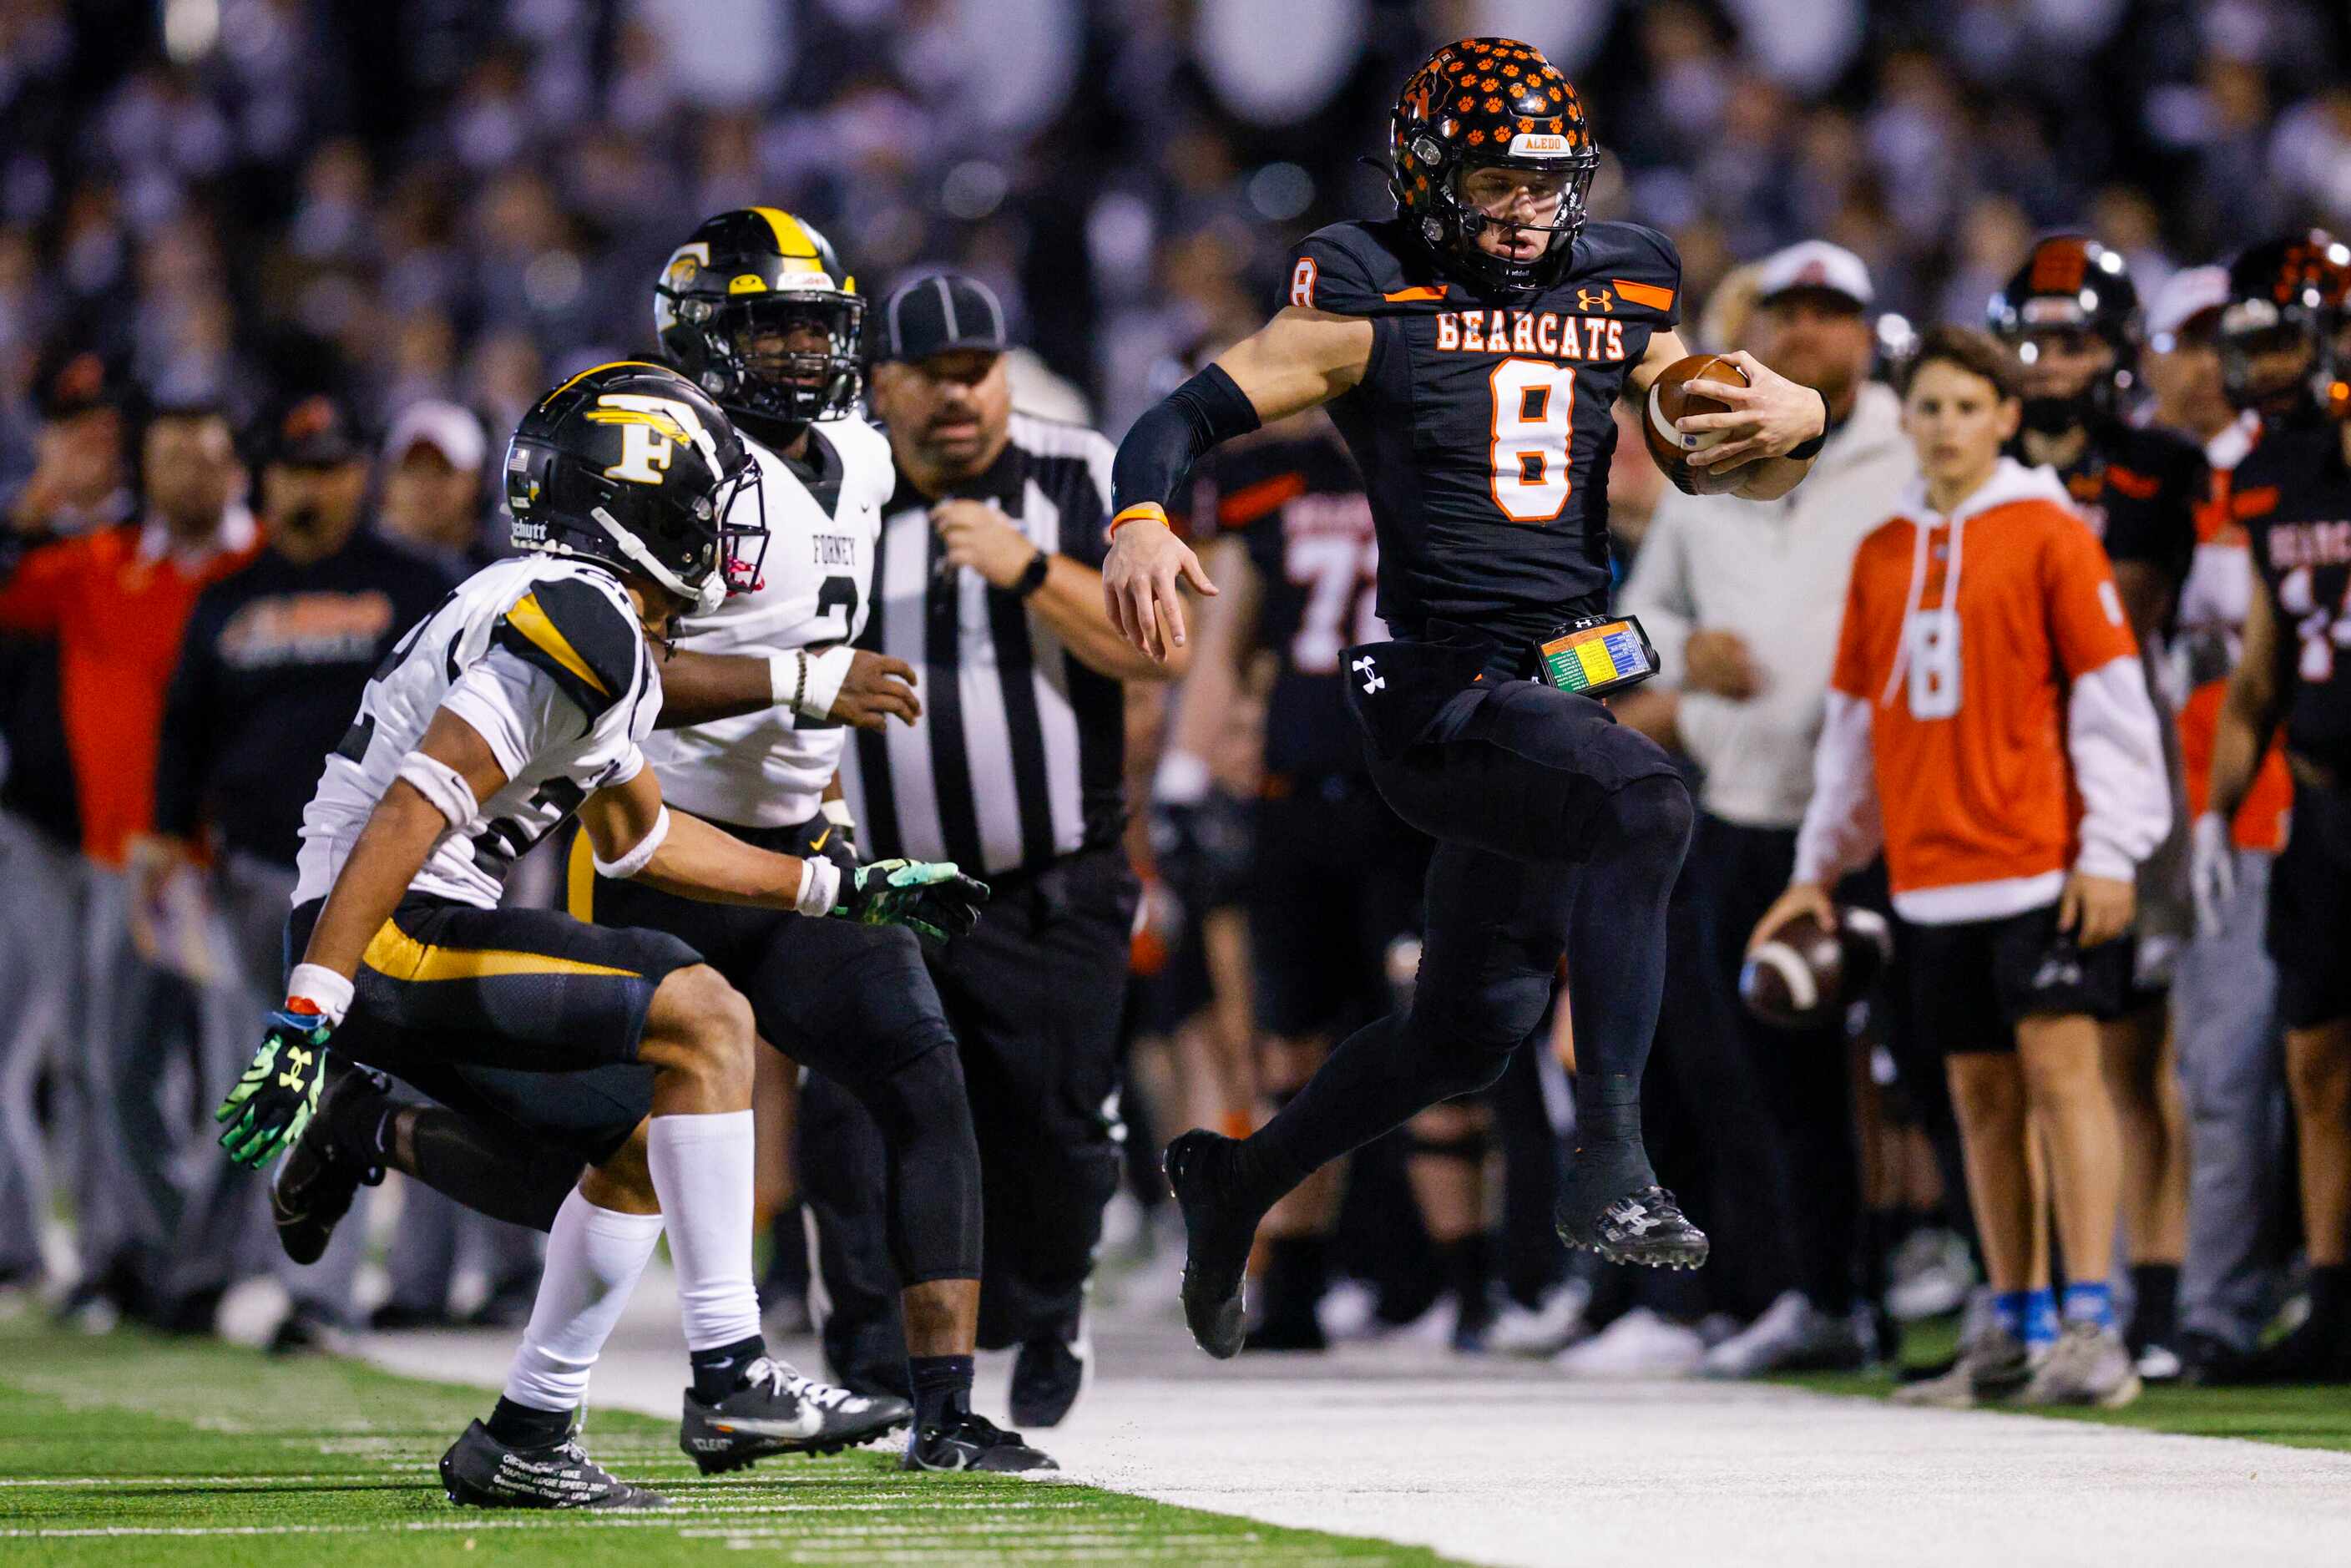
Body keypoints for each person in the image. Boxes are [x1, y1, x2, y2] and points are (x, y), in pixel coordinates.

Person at [1100, 36, 1831, 1358]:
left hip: (1559, 687)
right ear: (1430, 178)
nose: (1522, 209)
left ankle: (1237, 1182)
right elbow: (1189, 411)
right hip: (1439, 692)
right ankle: (1611, 1159)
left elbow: (1722, 456)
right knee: (1650, 804)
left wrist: (1801, 418)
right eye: (1493, 182)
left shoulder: (1630, 278)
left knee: (1467, 1030)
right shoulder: (1370, 285)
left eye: (1545, 181)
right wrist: (1141, 513)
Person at [220, 362, 983, 1507]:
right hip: (383, 927)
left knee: (632, 1146)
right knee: (706, 1010)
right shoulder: (579, 612)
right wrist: (312, 1009)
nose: (727, 529)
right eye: (707, 498)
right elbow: (415, 804)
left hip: (399, 925)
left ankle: (525, 1428)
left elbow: (646, 841)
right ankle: (732, 1370)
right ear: (645, 505)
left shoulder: (592, 615)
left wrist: (842, 890)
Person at [577, 214, 1053, 1471]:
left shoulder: (862, 452)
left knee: (924, 1078)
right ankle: (384, 1123)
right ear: (702, 335)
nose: (797, 348)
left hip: (801, 854)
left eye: (813, 323)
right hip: (664, 850)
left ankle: (944, 1408)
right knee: (599, 1150)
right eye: (767, 323)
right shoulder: (667, 462)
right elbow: (607, 666)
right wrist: (799, 682)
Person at [1755, 326, 2170, 1409]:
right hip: (1928, 872)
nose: (1942, 427)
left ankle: (2091, 1323)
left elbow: (2112, 698)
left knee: (2065, 1083)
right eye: (1926, 408)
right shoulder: (1884, 548)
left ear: (2004, 417)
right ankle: (2014, 1321)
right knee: (1979, 1098)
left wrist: (2112, 846)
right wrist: (1818, 865)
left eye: (1964, 407)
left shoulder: (2048, 531)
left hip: (2040, 861)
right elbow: (1854, 726)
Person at [821, 271, 1181, 1420]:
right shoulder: (835, 485)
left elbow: (1159, 649)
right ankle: (880, 1355)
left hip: (1053, 869)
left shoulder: (1079, 472)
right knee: (870, 1110)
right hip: (884, 883)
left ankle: (1048, 1310)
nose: (959, 396)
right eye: (931, 375)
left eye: (976, 370)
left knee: (1058, 1122)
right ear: (883, 384)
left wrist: (1027, 566)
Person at [1615, 240, 1919, 1377]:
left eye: (1828, 311)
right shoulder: (1700, 467)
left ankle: (1975, 1290)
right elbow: (1605, 651)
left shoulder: (1910, 449)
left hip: (1891, 819)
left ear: (1865, 331)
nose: (1802, 331)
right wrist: (1688, 651)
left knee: (1927, 1071)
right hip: (1744, 812)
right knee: (1770, 1078)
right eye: (1784, 311)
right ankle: (1820, 1290)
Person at [143, 393, 454, 1350]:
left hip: (369, 882)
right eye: (293, 467)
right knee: (250, 1078)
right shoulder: (229, 595)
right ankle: (202, 1275)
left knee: (331, 1080)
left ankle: (313, 1295)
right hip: (244, 874)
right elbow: (184, 729)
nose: (310, 485)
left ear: (357, 474)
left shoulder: (415, 586)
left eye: (327, 467)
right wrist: (162, 846)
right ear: (264, 477)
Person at [1990, 235, 2203, 1380]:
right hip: (2007, 770)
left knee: (2136, 1056)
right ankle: (2048, 1300)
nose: (2050, 360)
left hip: (2125, 761)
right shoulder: (1983, 451)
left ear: (2116, 348)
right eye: (2032, 337)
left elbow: (2115, 612)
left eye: (2072, 337)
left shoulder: (2159, 465)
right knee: (2027, 1055)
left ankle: (2152, 1302)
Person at [0, 396, 261, 1328]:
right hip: (135, 863)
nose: (189, 473)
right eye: (171, 457)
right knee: (118, 1071)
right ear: (145, 472)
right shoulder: (99, 564)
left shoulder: (264, 567)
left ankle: (225, 1258)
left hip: (239, 865)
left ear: (235, 469)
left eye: (206, 455)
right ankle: (163, 1258)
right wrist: (34, 506)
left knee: (248, 1072)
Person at [2193, 230, 2351, 1383]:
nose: (2268, 366)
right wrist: (2218, 809)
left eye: (2285, 340)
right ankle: (2332, 1302)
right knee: (2317, 1062)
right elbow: (2259, 665)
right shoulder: (2268, 470)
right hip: (2320, 799)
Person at [2143, 262, 2299, 1373]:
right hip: (2212, 808)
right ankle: (2216, 1306)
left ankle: (2235, 1299)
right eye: (2187, 342)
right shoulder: (2158, 481)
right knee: (2220, 1072)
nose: (2208, 366)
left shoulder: (2294, 469)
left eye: (2224, 341)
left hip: (2291, 794)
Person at [0, 347, 134, 1304]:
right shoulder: (21, 535)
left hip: (131, 836)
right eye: (70, 425)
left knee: (106, 1053)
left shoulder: (151, 538)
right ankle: (23, 1242)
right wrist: (24, 519)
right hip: (32, 828)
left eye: (101, 427)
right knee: (36, 1048)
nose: (87, 442)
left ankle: (110, 1251)